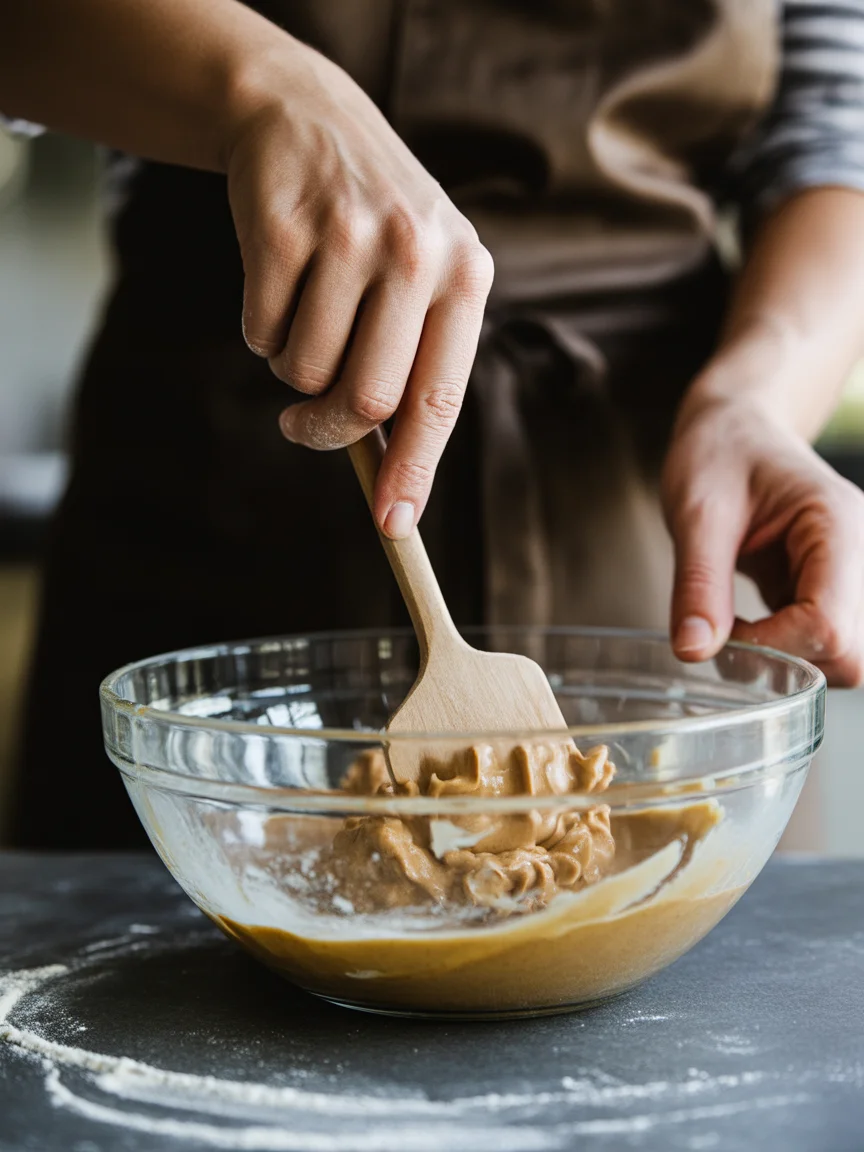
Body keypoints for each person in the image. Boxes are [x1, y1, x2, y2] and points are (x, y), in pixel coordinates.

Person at [3, 0, 864, 849]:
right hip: (215, 495)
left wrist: (756, 399)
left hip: (639, 515)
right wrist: (268, 88)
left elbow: (835, 138)